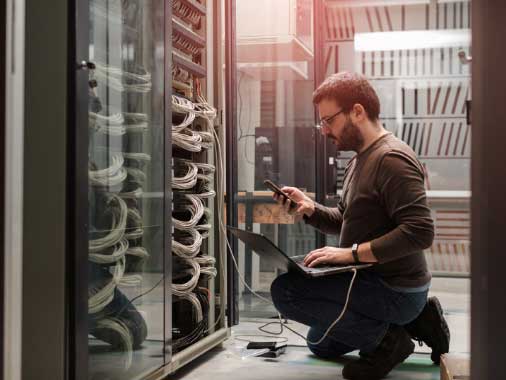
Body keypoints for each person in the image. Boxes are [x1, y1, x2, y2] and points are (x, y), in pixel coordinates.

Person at [270, 72, 450, 380]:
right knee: (319, 344)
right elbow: (346, 219)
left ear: (357, 111)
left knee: (287, 292)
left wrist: (349, 255)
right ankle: (419, 320)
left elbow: (420, 231)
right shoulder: (358, 160)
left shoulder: (391, 158)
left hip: (395, 287)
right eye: (322, 122)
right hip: (370, 279)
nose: (325, 130)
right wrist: (310, 209)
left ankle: (389, 341)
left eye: (329, 120)